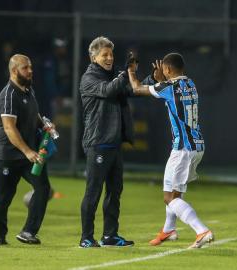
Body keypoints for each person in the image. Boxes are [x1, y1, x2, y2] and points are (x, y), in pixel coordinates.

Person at [127, 52, 214, 248]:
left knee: (170, 198)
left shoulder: (168, 87)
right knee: (173, 191)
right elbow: (171, 92)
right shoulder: (190, 83)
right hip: (196, 145)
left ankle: (202, 231)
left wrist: (132, 72)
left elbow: (136, 89)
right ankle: (169, 230)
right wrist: (161, 80)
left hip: (183, 148)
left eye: (164, 70)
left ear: (167, 69)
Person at [79, 36, 135, 248]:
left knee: (114, 191)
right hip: (98, 142)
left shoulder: (113, 76)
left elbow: (131, 89)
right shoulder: (89, 78)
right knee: (93, 192)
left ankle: (110, 235)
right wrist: (123, 74)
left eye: (111, 54)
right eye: (105, 54)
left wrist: (151, 80)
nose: (110, 58)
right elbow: (108, 90)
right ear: (94, 57)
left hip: (114, 143)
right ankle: (86, 237)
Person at [0, 54, 52, 246]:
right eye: (26, 68)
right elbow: (9, 128)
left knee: (43, 188)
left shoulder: (28, 91)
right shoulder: (8, 94)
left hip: (28, 153)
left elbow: (34, 115)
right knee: (4, 197)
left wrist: (44, 126)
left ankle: (28, 232)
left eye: (31, 67)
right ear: (14, 71)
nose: (30, 71)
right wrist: (27, 151)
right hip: (8, 154)